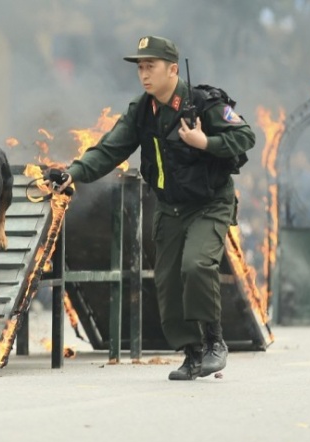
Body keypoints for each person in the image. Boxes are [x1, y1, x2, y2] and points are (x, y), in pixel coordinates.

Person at [48, 36, 256, 380]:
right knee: (168, 281)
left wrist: (205, 142)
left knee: (196, 265)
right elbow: (110, 149)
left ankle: (215, 343)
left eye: (151, 66)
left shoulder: (205, 103)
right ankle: (191, 354)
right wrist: (73, 173)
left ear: (172, 69)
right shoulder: (142, 110)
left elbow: (245, 136)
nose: (144, 74)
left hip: (209, 202)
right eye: (140, 67)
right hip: (170, 206)